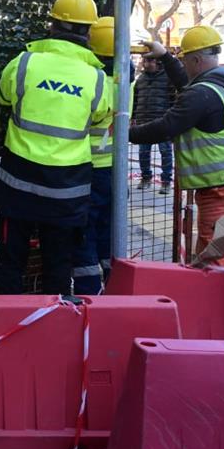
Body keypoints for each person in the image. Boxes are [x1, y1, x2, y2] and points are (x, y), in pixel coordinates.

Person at [0, 0, 111, 295]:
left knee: (9, 262)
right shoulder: (96, 78)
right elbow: (99, 118)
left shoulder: (24, 63)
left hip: (18, 185)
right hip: (67, 192)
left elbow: (2, 96)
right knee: (58, 265)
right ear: (88, 32)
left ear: (52, 24)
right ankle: (52, 331)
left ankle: (2, 331)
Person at [128, 25, 224, 259]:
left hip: (219, 188)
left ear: (196, 60)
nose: (182, 64)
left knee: (214, 255)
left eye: (184, 58)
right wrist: (165, 56)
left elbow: (167, 126)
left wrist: (126, 134)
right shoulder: (221, 83)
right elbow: (186, 85)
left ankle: (214, 295)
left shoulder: (201, 94)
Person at [75, 16, 133, 291]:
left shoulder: (92, 80)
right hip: (116, 171)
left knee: (83, 235)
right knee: (108, 236)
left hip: (89, 167)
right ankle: (113, 288)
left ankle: (88, 293)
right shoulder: (126, 81)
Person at [132, 53, 174, 194]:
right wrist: (133, 117)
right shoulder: (141, 79)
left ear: (158, 62)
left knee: (165, 152)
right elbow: (135, 99)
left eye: (149, 60)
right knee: (143, 152)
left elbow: (173, 99)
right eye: (145, 60)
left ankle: (166, 182)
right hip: (143, 122)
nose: (146, 63)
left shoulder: (167, 78)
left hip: (162, 122)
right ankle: (145, 178)